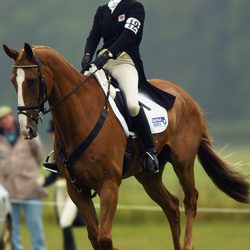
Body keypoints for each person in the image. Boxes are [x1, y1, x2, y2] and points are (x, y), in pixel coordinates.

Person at [81, 0, 159, 173]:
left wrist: (109, 53)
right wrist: (87, 55)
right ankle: (63, 152)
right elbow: (93, 36)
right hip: (102, 62)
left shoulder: (135, 7)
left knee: (131, 104)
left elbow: (128, 35)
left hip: (125, 60)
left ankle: (149, 151)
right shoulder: (102, 11)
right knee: (78, 93)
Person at [0, 105, 46, 250]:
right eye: (1, 119)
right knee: (12, 228)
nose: (5, 121)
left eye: (7, 117)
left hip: (30, 188)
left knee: (35, 226)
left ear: (12, 117)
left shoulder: (27, 133)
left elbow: (39, 156)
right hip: (8, 190)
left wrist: (31, 173)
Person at [42, 121, 84, 250]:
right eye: (50, 133)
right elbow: (53, 176)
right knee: (64, 224)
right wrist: (41, 184)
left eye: (52, 133)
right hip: (60, 191)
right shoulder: (55, 151)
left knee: (65, 221)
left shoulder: (69, 148)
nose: (51, 136)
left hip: (71, 190)